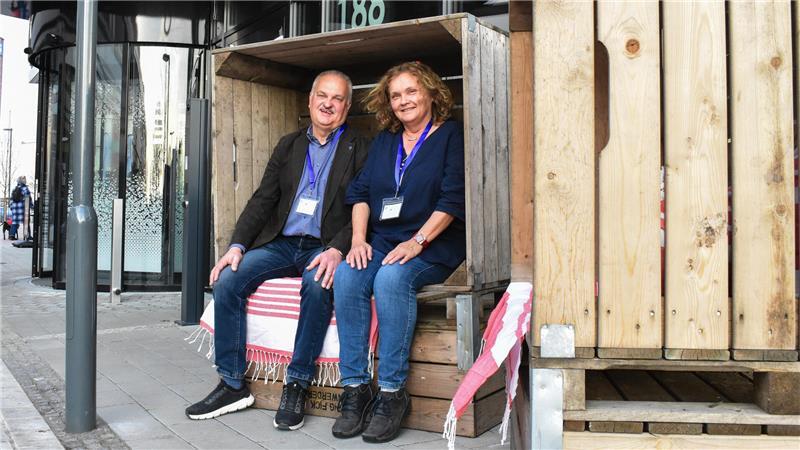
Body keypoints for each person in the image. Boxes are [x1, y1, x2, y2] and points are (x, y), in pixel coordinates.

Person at [186, 70, 370, 431]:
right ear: (310, 101)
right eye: (322, 96)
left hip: (324, 246)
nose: (328, 104)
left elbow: (365, 206)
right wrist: (236, 246)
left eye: (337, 99)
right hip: (283, 244)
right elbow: (263, 199)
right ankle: (232, 384)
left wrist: (337, 249)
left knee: (317, 285)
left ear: (347, 107)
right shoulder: (289, 145)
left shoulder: (361, 148)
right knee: (228, 280)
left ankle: (296, 384)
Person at [331, 62, 465, 443]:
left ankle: (391, 394)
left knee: (390, 280)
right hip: (384, 240)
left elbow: (453, 200)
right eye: (395, 95)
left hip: (434, 244)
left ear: (431, 93)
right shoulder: (386, 141)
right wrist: (359, 240)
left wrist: (417, 241)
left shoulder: (450, 136)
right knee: (348, 273)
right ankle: (355, 389)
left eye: (411, 91)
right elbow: (359, 194)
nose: (404, 100)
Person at [10, 176, 32, 241]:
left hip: (15, 208)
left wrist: (11, 207)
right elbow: (28, 198)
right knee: (26, 222)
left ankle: (11, 235)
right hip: (22, 208)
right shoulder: (25, 188)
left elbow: (11, 199)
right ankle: (27, 236)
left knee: (14, 222)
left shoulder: (15, 189)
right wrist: (32, 206)